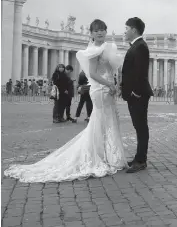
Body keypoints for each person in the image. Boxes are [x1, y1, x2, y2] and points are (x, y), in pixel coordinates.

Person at [4, 19, 127, 182]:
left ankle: (111, 155)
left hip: (109, 89)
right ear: (91, 33)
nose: (100, 32)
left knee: (110, 121)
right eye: (96, 30)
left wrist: (115, 83)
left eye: (103, 29)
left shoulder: (109, 48)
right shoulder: (92, 51)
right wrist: (109, 83)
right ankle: (99, 156)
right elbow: (93, 73)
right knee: (100, 121)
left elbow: (112, 70)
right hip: (100, 89)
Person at [121, 17, 153, 173]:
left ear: (134, 30)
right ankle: (138, 157)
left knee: (141, 127)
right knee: (138, 127)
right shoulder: (137, 46)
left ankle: (141, 160)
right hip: (134, 94)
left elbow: (140, 73)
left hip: (138, 95)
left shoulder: (140, 47)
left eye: (126, 28)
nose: (125, 31)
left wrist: (135, 93)